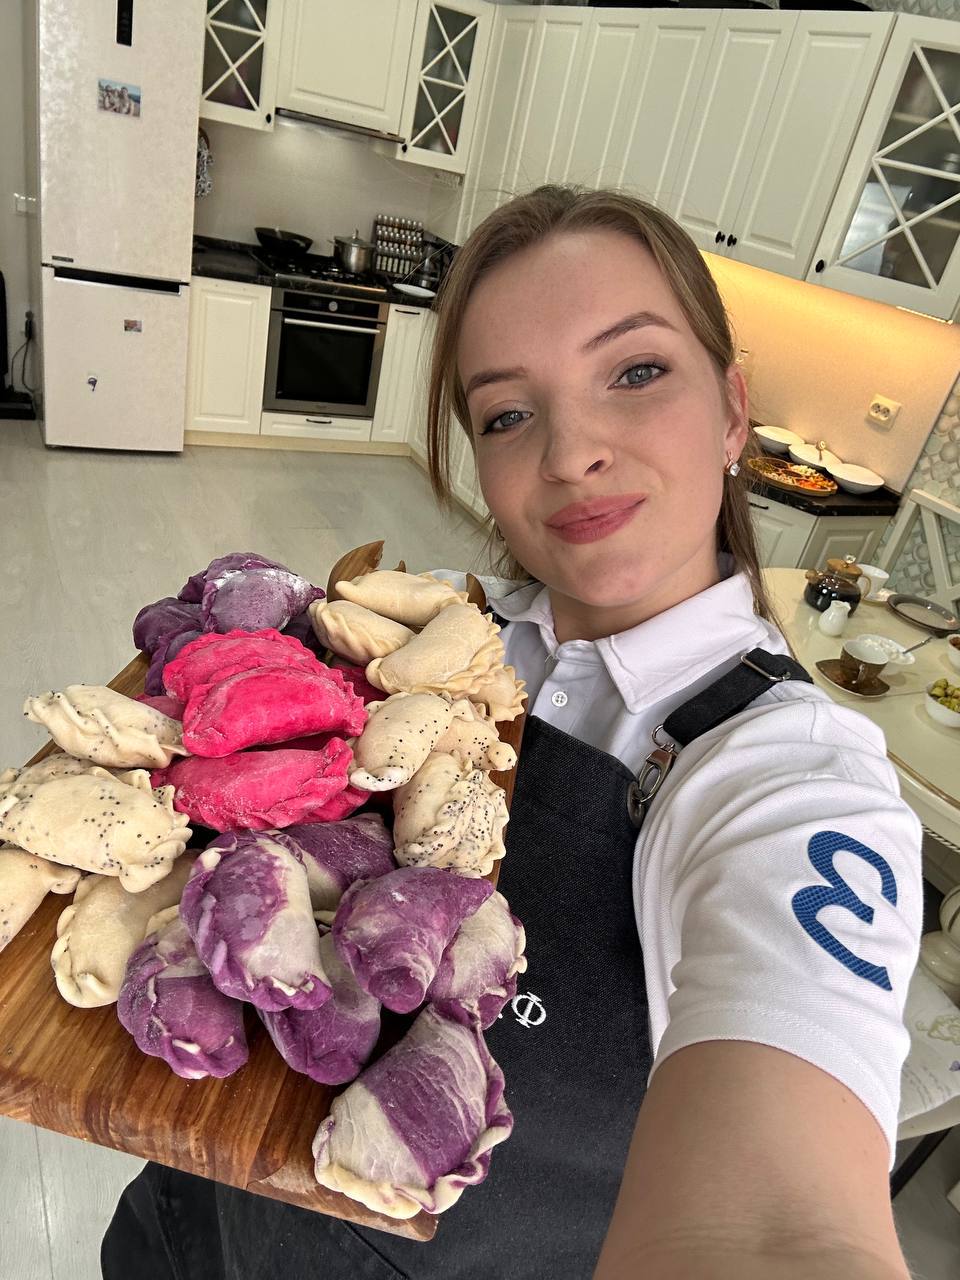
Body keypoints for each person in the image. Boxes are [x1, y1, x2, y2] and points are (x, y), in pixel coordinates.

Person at [102, 186, 922, 1280]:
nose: (572, 452)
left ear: (734, 412)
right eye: (507, 414)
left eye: (635, 372)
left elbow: (782, 1229)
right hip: (186, 1218)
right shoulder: (433, 625)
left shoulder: (789, 782)